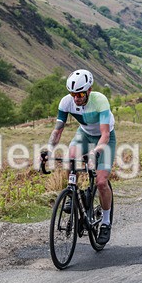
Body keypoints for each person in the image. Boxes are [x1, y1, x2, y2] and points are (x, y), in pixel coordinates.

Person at [42, 70, 116, 245]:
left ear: (89, 90)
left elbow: (105, 135)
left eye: (80, 94)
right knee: (70, 159)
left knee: (101, 182)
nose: (76, 99)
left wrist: (95, 151)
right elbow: (58, 130)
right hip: (83, 134)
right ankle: (73, 194)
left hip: (104, 139)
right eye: (73, 94)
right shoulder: (66, 102)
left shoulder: (100, 101)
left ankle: (105, 223)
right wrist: (47, 150)